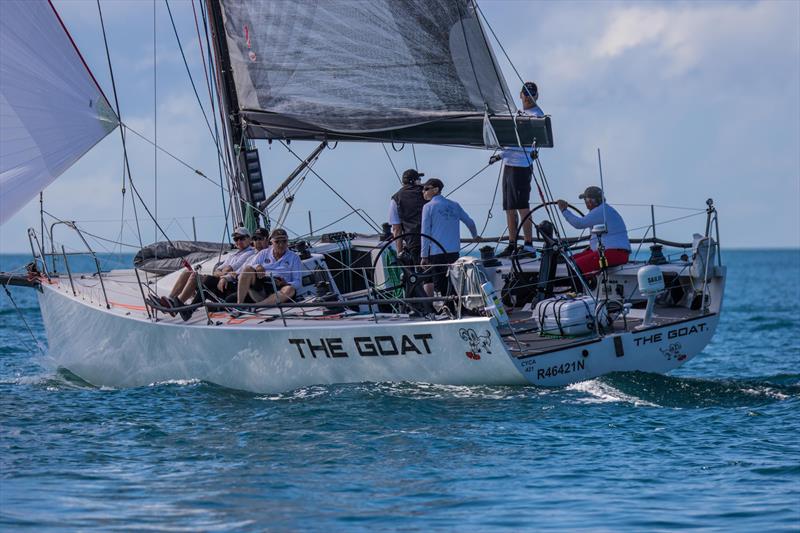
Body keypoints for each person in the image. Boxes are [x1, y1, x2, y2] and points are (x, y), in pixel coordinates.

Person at [489, 81, 544, 257]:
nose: (528, 97)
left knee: (522, 206)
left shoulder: (536, 115)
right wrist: (501, 155)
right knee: (509, 207)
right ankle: (512, 243)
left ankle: (528, 245)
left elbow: (526, 144)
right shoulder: (517, 113)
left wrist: (501, 155)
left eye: (531, 94)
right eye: (525, 93)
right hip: (508, 166)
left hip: (521, 166)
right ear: (520, 95)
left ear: (536, 96)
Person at [161, 227, 254, 317]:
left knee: (195, 277)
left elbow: (229, 269)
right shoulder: (233, 255)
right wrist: (222, 273)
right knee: (187, 272)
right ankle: (171, 299)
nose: (238, 241)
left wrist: (222, 273)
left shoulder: (249, 253)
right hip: (221, 282)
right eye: (236, 239)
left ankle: (177, 306)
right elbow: (217, 270)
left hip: (230, 286)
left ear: (249, 239)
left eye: (241, 238)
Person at [419, 178, 480, 298]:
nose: (423, 191)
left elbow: (425, 232)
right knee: (454, 282)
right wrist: (475, 236)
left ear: (436, 190)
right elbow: (470, 222)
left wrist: (424, 256)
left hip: (437, 253)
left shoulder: (428, 207)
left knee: (441, 284)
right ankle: (457, 308)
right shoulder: (454, 205)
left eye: (426, 189)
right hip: (453, 252)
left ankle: (448, 309)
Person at [557, 186, 631, 274]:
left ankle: (581, 287)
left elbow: (579, 223)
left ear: (591, 201)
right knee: (570, 261)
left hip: (614, 253)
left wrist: (564, 210)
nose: (585, 203)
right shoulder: (604, 210)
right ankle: (587, 284)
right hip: (613, 252)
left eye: (585, 200)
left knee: (575, 266)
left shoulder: (601, 211)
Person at [237, 228, 303, 306]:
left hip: (280, 287)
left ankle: (258, 305)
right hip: (263, 284)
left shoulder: (294, 257)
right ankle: (239, 305)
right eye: (277, 242)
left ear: (287, 241)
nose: (281, 245)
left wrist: (285, 283)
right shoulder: (263, 253)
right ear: (271, 242)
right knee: (248, 269)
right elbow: (249, 266)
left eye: (284, 241)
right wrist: (257, 266)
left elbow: (298, 282)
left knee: (290, 289)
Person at [388, 168, 427, 263]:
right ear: (416, 181)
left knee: (417, 274)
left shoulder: (396, 198)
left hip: (413, 242)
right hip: (433, 242)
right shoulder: (427, 193)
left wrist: (400, 252)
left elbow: (396, 229)